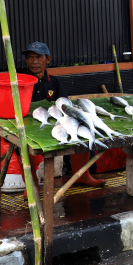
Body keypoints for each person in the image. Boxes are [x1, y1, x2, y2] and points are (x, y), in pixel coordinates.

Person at [22, 41, 104, 188]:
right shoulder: (21, 81)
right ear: (26, 60)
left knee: (82, 131)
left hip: (54, 124)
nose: (34, 62)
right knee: (21, 145)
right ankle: (32, 185)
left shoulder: (55, 82)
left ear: (48, 59)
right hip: (29, 127)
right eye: (30, 57)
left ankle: (82, 175)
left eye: (39, 57)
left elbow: (65, 106)